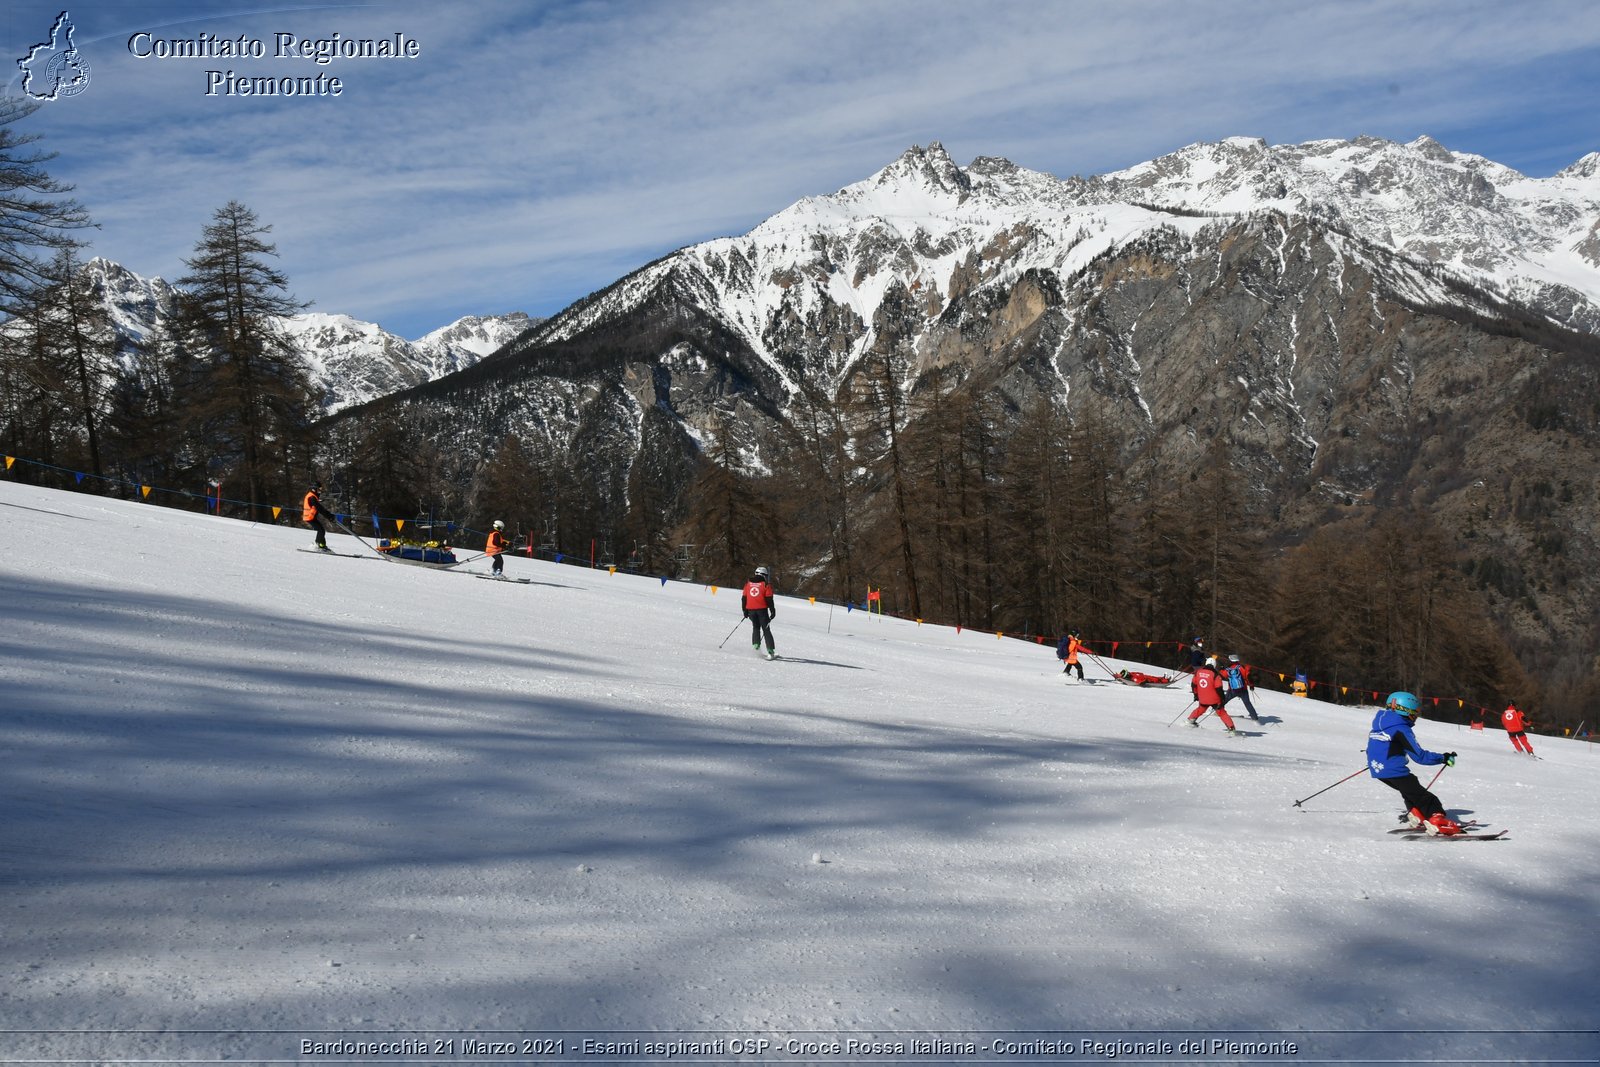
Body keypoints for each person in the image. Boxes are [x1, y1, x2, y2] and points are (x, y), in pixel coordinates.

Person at [1366, 691, 1461, 835]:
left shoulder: (1380, 725)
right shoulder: (1401, 728)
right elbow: (1420, 757)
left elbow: (1375, 748)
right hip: (1394, 770)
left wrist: (1378, 761)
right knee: (1427, 798)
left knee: (1410, 790)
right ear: (1405, 710)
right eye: (1415, 712)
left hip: (1378, 771)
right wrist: (1443, 757)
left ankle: (1416, 813)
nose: (1416, 716)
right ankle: (1438, 819)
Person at [1186, 656, 1237, 734]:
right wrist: (1222, 699)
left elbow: (1193, 684)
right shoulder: (1216, 675)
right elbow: (1219, 689)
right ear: (1214, 665)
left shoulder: (1198, 672)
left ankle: (1190, 720)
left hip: (1202, 698)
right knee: (1222, 713)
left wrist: (1196, 695)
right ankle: (1231, 728)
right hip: (1214, 700)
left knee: (1201, 709)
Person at [741, 565, 777, 659]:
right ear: (764, 575)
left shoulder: (748, 584)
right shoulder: (766, 585)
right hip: (762, 611)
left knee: (756, 628)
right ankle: (770, 651)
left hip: (751, 610)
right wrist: (772, 611)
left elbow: (744, 598)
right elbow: (769, 599)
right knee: (766, 630)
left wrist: (744, 610)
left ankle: (756, 647)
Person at [1221, 654, 1260, 722]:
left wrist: (1221, 669)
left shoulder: (1228, 669)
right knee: (1247, 703)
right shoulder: (1242, 668)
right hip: (1243, 689)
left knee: (1223, 701)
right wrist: (1251, 685)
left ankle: (1218, 711)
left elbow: (1222, 675)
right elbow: (1248, 677)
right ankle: (1255, 718)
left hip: (1232, 690)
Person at [302, 481, 331, 551]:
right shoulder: (312, 497)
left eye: (321, 489)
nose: (320, 490)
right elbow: (319, 508)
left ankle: (322, 546)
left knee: (321, 530)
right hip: (309, 517)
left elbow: (317, 505)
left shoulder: (313, 496)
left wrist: (329, 515)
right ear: (314, 489)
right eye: (319, 489)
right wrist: (328, 515)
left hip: (312, 517)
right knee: (321, 530)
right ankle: (317, 545)